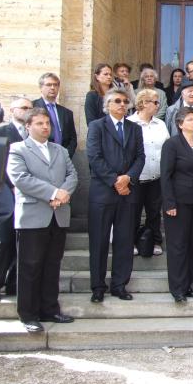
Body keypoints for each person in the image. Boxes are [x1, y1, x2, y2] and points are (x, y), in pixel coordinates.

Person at [7, 108, 78, 332]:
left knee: (52, 265)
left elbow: (72, 175)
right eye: (39, 123)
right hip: (33, 216)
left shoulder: (60, 150)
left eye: (47, 123)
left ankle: (50, 309)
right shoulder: (17, 149)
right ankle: (28, 315)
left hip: (58, 215)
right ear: (28, 126)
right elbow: (21, 178)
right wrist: (54, 193)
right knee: (30, 267)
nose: (45, 127)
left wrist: (63, 194)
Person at [87, 88, 145, 302]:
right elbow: (94, 157)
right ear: (107, 105)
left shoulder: (134, 128)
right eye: (117, 101)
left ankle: (119, 285)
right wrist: (115, 180)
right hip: (103, 192)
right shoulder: (97, 126)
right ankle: (98, 286)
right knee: (99, 241)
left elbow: (140, 157)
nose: (122, 104)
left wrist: (127, 178)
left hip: (127, 192)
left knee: (125, 240)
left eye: (125, 101)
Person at [0, 98, 33, 302]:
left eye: (30, 108)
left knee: (24, 243)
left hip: (30, 198)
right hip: (6, 197)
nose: (28, 110)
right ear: (12, 110)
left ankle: (13, 283)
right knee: (4, 241)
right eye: (24, 107)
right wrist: (11, 186)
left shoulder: (35, 134)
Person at [160, 107, 193, 302]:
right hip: (178, 204)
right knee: (177, 245)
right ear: (180, 124)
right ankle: (177, 289)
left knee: (191, 245)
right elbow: (165, 175)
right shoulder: (171, 145)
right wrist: (169, 203)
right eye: (190, 119)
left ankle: (188, 285)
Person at [128, 89, 170, 256]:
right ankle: (131, 242)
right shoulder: (130, 123)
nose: (158, 105)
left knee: (154, 212)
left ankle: (155, 241)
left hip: (156, 177)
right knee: (133, 212)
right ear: (144, 103)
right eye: (155, 102)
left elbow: (167, 148)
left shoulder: (160, 124)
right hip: (136, 178)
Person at [33, 73, 77, 158]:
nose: (53, 87)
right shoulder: (32, 107)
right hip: (39, 157)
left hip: (63, 158)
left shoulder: (67, 113)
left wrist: (66, 156)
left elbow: (73, 139)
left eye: (55, 85)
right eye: (49, 85)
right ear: (41, 88)